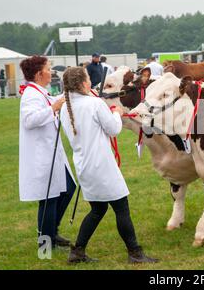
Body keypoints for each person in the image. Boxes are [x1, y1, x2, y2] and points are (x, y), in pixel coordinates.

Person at [60, 67, 159, 264]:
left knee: (98, 209)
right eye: (88, 79)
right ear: (82, 84)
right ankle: (135, 253)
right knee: (121, 208)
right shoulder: (94, 103)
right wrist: (116, 111)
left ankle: (78, 251)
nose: (91, 82)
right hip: (101, 165)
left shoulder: (65, 106)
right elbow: (114, 129)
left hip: (84, 165)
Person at [18, 55, 76, 250]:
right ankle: (45, 245)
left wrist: (70, 95)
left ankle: (52, 232)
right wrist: (53, 108)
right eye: (48, 68)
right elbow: (29, 120)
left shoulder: (39, 92)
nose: (51, 72)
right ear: (38, 73)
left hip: (52, 153)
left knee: (68, 189)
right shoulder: (30, 95)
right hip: (41, 155)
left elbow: (55, 101)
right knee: (49, 198)